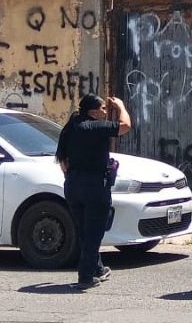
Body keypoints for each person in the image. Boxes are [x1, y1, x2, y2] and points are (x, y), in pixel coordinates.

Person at [55, 93, 131, 290]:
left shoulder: (70, 127)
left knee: (84, 231)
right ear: (93, 111)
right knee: (94, 233)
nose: (105, 112)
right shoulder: (94, 126)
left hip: (72, 184)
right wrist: (121, 106)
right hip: (94, 185)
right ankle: (86, 276)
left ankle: (97, 268)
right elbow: (125, 126)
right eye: (103, 109)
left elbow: (63, 162)